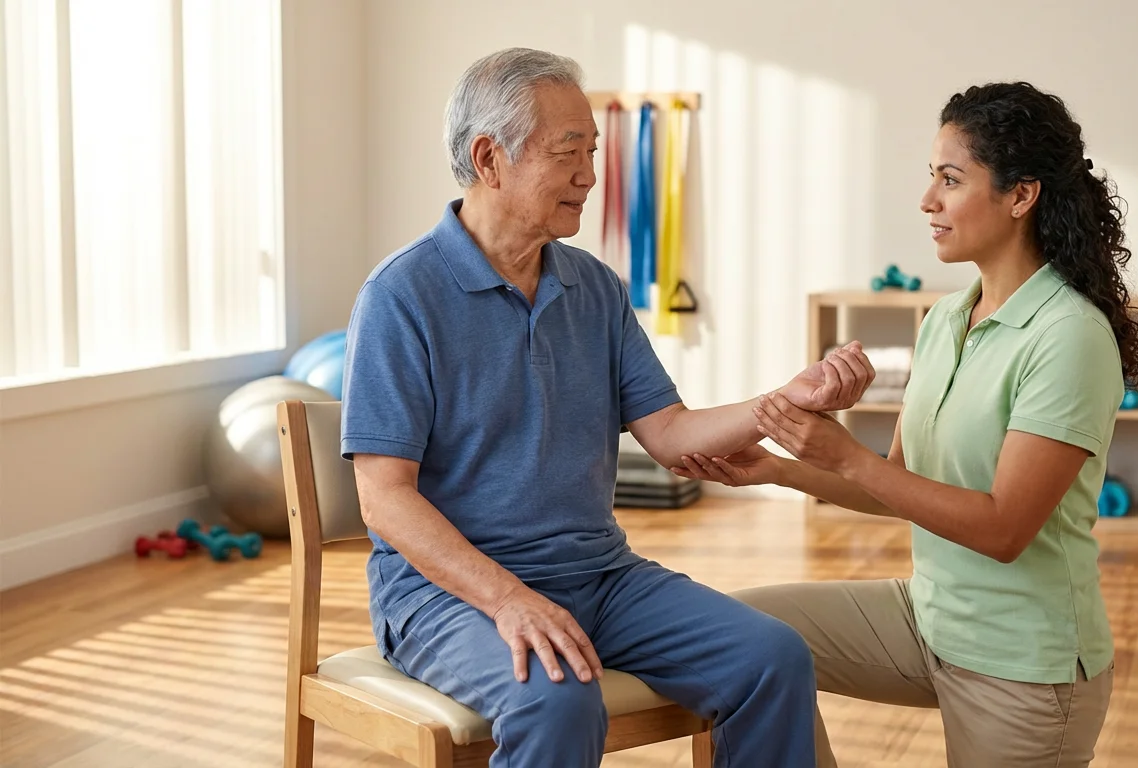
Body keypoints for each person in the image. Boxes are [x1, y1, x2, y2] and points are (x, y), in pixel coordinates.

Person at [340, 47, 877, 768]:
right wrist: (507, 599)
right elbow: (384, 499)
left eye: (591, 152)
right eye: (569, 153)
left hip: (600, 577)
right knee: (556, 696)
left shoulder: (593, 288)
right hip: (448, 596)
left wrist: (787, 400)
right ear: (489, 157)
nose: (590, 177)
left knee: (770, 656)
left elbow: (671, 434)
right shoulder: (401, 296)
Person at [673, 81, 1138, 767]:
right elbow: (897, 485)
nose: (928, 200)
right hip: (930, 620)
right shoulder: (948, 320)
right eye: (931, 177)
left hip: (1023, 664)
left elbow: (1003, 529)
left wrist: (842, 455)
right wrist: (777, 469)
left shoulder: (1068, 335)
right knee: (737, 638)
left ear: (1021, 196)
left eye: (950, 180)